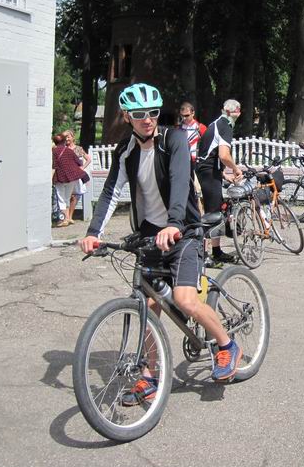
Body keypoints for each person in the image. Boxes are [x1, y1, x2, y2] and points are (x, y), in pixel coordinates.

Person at [79, 83, 243, 397]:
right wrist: (92, 234)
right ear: (127, 116)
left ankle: (227, 345)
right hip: (150, 236)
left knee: (184, 300)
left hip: (184, 232)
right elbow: (111, 191)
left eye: (153, 112)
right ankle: (149, 376)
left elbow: (181, 182)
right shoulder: (125, 150)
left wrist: (174, 224)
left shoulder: (175, 140)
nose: (147, 119)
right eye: (139, 114)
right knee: (148, 304)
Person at [195, 99, 244, 264]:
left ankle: (216, 251)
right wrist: (236, 169)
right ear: (231, 112)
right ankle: (203, 255)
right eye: (238, 111)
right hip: (208, 172)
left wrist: (223, 174)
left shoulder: (215, 123)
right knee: (210, 214)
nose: (239, 114)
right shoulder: (225, 126)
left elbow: (210, 153)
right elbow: (223, 155)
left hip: (208, 171)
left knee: (216, 212)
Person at [52, 131, 87, 227]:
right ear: (63, 141)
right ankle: (67, 219)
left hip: (60, 178)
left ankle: (64, 219)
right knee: (67, 198)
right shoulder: (69, 151)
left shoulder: (53, 151)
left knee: (61, 199)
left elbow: (53, 166)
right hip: (72, 178)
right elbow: (79, 162)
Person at [63, 129, 91, 224]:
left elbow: (88, 159)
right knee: (67, 196)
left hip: (76, 176)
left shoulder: (78, 149)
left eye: (68, 136)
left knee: (74, 196)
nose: (66, 139)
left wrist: (82, 168)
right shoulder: (63, 149)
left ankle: (70, 216)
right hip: (66, 176)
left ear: (72, 137)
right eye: (65, 137)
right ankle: (65, 217)